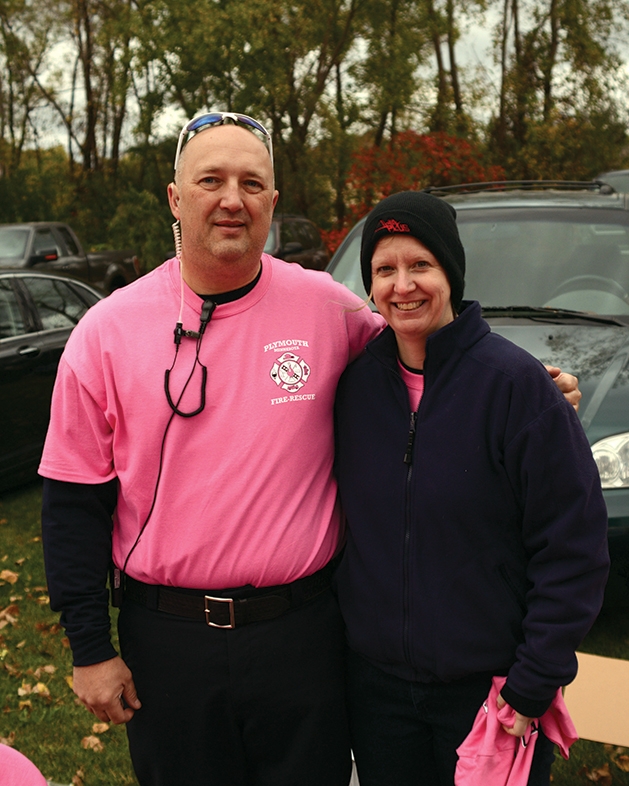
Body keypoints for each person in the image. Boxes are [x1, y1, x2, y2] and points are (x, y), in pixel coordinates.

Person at [38, 114, 581, 786]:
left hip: (303, 637)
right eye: (210, 180)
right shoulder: (105, 332)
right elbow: (71, 503)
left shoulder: (328, 310)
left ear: (272, 202)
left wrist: (529, 382)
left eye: (250, 183)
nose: (231, 198)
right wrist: (90, 647)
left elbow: (422, 328)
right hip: (166, 641)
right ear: (175, 199)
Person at [332, 190, 610, 786]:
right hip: (377, 693)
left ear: (451, 274)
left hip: (489, 695)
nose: (402, 285)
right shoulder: (353, 390)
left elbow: (573, 545)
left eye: (420, 266)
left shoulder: (516, 388)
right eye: (385, 270)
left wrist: (535, 678)